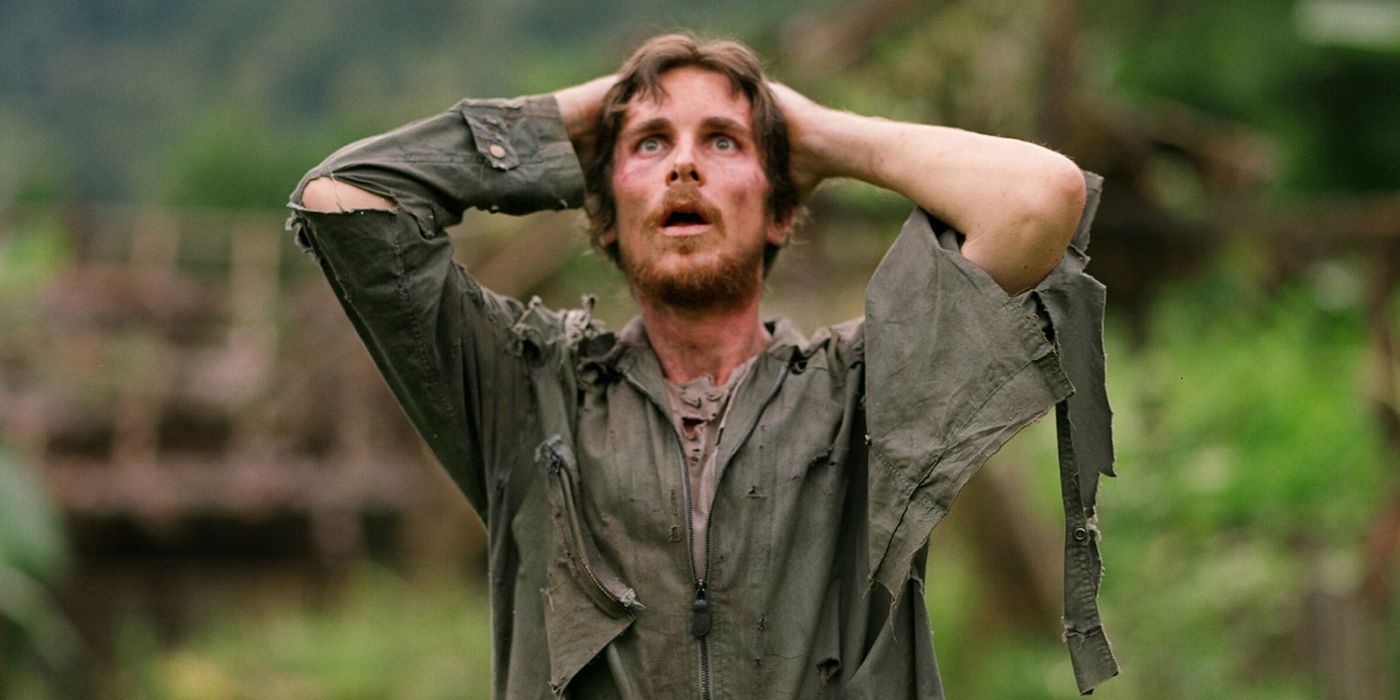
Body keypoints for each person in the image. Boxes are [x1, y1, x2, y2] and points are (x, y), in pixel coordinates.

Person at [288, 33, 1117, 699]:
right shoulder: (525, 392)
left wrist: (819, 136)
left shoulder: (869, 393)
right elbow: (345, 199)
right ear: (604, 215)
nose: (684, 165)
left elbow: (1037, 198)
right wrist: (575, 119)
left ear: (781, 209)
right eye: (650, 144)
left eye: (724, 141)